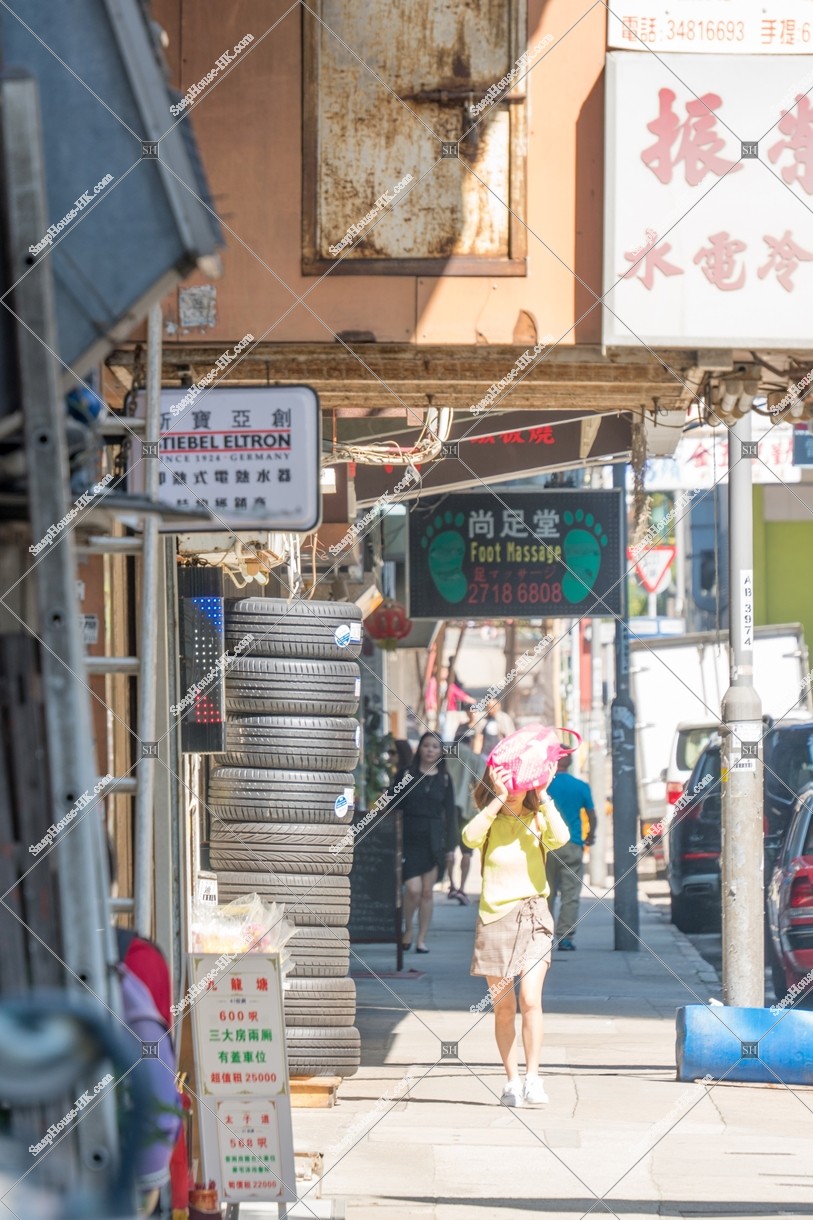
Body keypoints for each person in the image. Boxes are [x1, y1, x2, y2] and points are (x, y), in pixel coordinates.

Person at [463, 756, 570, 1107]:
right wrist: (497, 800)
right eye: (505, 782)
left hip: (534, 915)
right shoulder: (490, 821)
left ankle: (533, 1077)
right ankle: (511, 1081)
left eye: (519, 783)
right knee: (504, 1007)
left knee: (530, 999)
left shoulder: (537, 818)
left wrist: (544, 793)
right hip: (495, 920)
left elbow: (561, 838)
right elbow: (469, 838)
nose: (513, 790)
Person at [391, 732, 457, 953]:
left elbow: (450, 815)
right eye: (426, 745)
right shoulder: (406, 774)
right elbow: (392, 805)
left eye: (435, 747)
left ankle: (421, 939)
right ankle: (408, 928)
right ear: (419, 748)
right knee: (413, 890)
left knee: (427, 893)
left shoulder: (445, 779)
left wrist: (450, 847)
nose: (430, 750)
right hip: (409, 838)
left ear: (440, 752)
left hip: (434, 841)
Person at [545, 755, 597, 951]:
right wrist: (590, 835)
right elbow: (592, 816)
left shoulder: (544, 786)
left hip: (546, 845)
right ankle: (565, 937)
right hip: (572, 845)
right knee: (571, 894)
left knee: (546, 893)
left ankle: (543, 936)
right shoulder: (580, 786)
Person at [444, 712, 487, 903]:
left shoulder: (445, 755)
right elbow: (480, 783)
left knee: (449, 848)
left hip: (447, 807)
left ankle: (451, 885)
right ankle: (462, 887)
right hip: (468, 809)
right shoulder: (475, 759)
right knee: (467, 851)